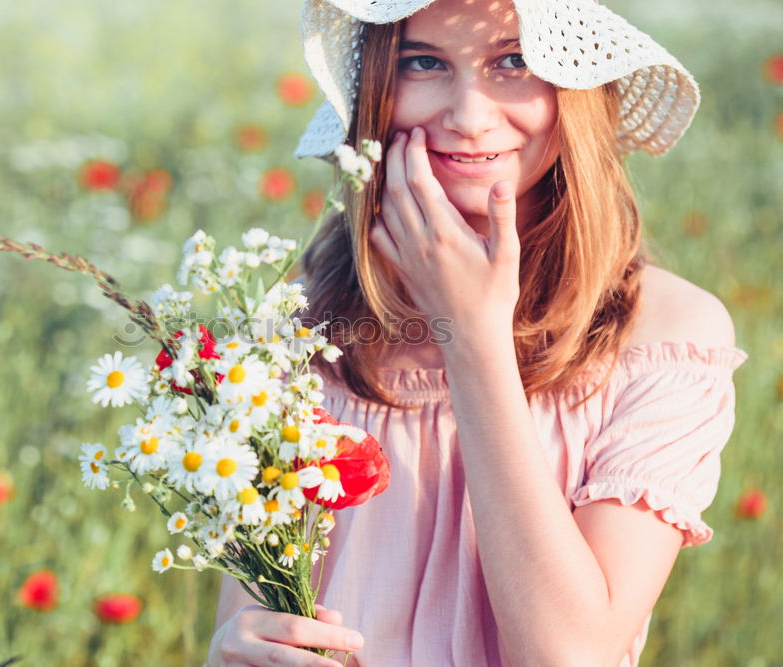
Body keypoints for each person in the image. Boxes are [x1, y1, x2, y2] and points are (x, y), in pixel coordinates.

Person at [207, 0, 747, 665]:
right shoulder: (295, 321)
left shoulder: (662, 332)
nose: (467, 116)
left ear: (576, 86)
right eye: (422, 62)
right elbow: (252, 614)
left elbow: (570, 654)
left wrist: (470, 337)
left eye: (514, 61)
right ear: (375, 87)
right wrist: (233, 650)